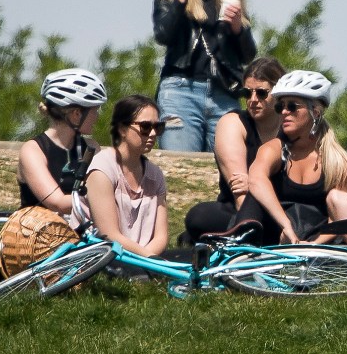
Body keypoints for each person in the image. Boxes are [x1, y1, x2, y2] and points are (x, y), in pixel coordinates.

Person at [153, 0, 256, 153]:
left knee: (227, 171)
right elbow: (163, 35)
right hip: (180, 90)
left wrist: (238, 27)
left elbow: (249, 54)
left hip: (224, 94)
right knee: (181, 165)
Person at [235, 70, 347, 245]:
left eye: (292, 106)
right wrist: (286, 226)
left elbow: (339, 215)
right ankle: (238, 247)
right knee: (255, 193)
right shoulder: (273, 148)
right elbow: (257, 180)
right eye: (280, 106)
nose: (284, 112)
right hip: (274, 233)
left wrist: (314, 245)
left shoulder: (337, 160)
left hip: (316, 238)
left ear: (316, 112)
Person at [182, 57, 286, 242]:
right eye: (247, 93)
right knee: (199, 217)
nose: (253, 100)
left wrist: (255, 183)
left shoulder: (290, 128)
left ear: (279, 94)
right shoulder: (233, 123)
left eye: (262, 93)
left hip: (282, 206)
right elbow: (241, 195)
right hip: (239, 208)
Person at [85, 95, 169, 258]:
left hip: (145, 256)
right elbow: (109, 234)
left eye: (157, 127)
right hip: (107, 255)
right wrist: (150, 259)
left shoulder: (155, 174)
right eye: (145, 127)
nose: (152, 134)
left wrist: (149, 259)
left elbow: (161, 236)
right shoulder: (102, 168)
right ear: (122, 129)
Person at [17, 68, 107, 215]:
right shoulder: (33, 150)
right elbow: (57, 203)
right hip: (39, 233)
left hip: (79, 232)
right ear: (77, 114)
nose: (97, 117)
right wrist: (107, 197)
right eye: (94, 111)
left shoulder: (91, 148)